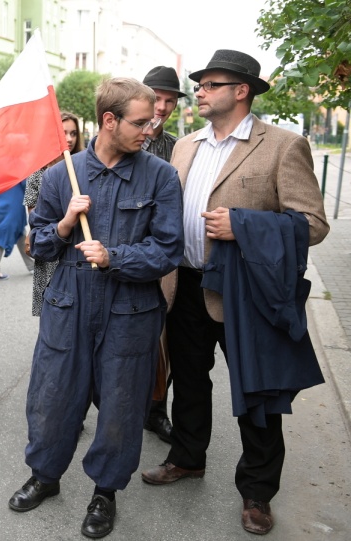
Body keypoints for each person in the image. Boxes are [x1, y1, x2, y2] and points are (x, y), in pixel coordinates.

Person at [140, 50, 330, 536]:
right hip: (185, 284)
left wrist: (244, 226)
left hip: (246, 294)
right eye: (199, 84)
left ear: (241, 90)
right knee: (188, 378)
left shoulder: (284, 146)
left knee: (257, 390)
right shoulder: (185, 146)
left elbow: (313, 224)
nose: (199, 91)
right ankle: (187, 458)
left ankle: (257, 492)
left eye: (210, 84)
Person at [8, 78, 183, 539]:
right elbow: (38, 245)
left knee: (122, 408)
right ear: (109, 120)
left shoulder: (161, 176)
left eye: (152, 121)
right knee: (52, 397)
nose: (151, 129)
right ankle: (45, 477)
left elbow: (168, 250)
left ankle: (105, 492)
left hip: (130, 310)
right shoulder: (60, 173)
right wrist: (65, 223)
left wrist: (115, 256)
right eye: (141, 121)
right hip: (67, 304)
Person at [139, 65, 186, 443]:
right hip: (125, 253)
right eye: (158, 98)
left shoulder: (177, 146)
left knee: (164, 341)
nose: (164, 107)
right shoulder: (124, 137)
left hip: (163, 257)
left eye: (171, 100)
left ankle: (156, 410)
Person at [23, 112, 83, 316]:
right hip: (50, 248)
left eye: (73, 133)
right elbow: (34, 217)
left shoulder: (82, 168)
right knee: (53, 313)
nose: (69, 139)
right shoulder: (38, 173)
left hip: (78, 249)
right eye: (63, 132)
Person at [0, 180, 34, 280]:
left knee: (19, 234)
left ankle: (32, 266)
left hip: (0, 200)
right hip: (11, 201)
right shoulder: (18, 166)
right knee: (4, 234)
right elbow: (26, 184)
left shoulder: (1, 165)